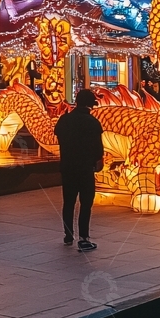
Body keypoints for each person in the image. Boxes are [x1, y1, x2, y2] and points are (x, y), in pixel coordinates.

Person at [54, 88, 104, 252]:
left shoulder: (64, 120)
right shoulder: (92, 123)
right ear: (90, 105)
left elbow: (58, 136)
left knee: (68, 202)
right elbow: (98, 149)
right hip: (85, 169)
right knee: (85, 203)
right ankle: (83, 238)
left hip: (67, 168)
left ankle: (68, 235)